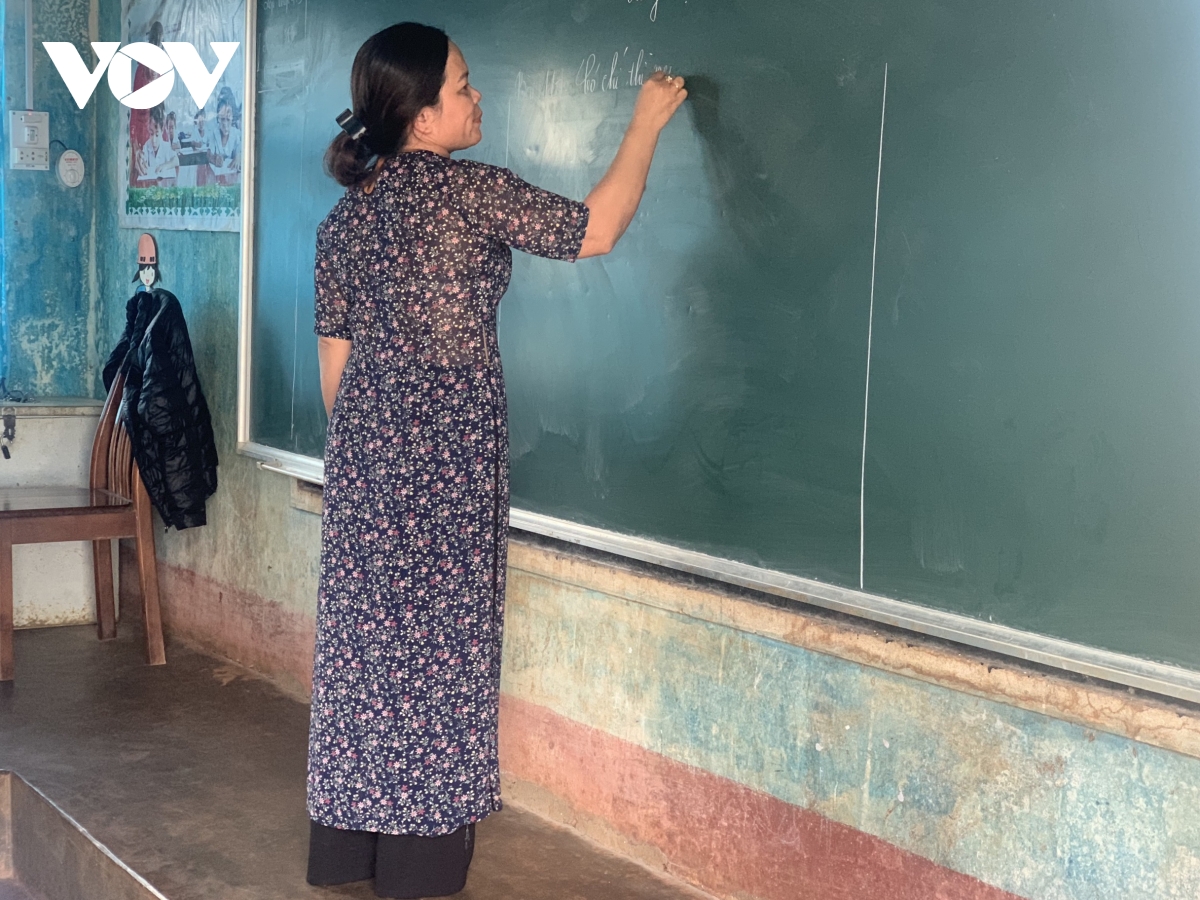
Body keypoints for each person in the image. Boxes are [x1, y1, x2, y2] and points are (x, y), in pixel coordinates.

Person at [308, 22, 686, 899]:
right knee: (442, 661)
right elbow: (595, 230)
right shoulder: (470, 193)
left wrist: (380, 456)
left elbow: (334, 376)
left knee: (366, 655)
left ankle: (349, 850)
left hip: (364, 464)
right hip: (448, 467)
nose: (479, 98)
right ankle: (418, 868)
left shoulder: (344, 220)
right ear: (423, 117)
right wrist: (645, 124)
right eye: (464, 87)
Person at [136, 106, 178, 185]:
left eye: (157, 135)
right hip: (151, 185)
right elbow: (143, 160)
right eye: (151, 134)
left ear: (162, 131)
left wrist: (165, 166)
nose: (154, 140)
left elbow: (176, 161)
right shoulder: (147, 146)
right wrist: (142, 163)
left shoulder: (166, 146)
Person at [207, 91, 241, 184]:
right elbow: (209, 154)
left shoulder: (237, 134)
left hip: (233, 180)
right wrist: (214, 159)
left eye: (228, 119)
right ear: (218, 119)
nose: (225, 124)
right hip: (217, 179)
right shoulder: (214, 133)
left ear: (232, 118)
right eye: (222, 119)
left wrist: (239, 156)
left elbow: (241, 151)